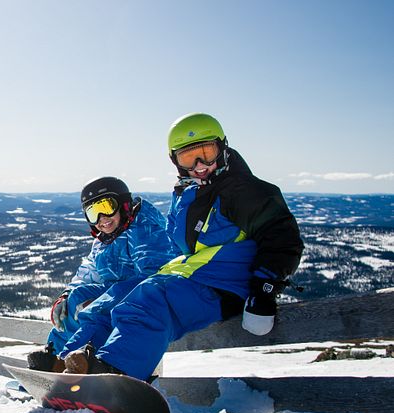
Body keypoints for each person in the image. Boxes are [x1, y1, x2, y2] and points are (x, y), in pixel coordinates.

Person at [61, 113, 304, 380]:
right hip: (197, 277)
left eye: (206, 153)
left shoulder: (244, 191)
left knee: (148, 299)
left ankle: (116, 374)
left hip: (224, 286)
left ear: (222, 147)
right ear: (175, 160)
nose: (199, 165)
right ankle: (69, 365)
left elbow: (282, 238)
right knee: (120, 299)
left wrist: (264, 291)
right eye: (188, 158)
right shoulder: (189, 193)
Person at [26, 176, 175, 372]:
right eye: (93, 212)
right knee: (76, 298)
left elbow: (153, 276)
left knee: (96, 307)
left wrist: (102, 300)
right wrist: (67, 294)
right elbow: (89, 272)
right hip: (115, 292)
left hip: (143, 294)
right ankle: (56, 359)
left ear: (123, 204)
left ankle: (78, 361)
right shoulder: (104, 240)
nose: (102, 219)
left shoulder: (145, 228)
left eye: (106, 207)